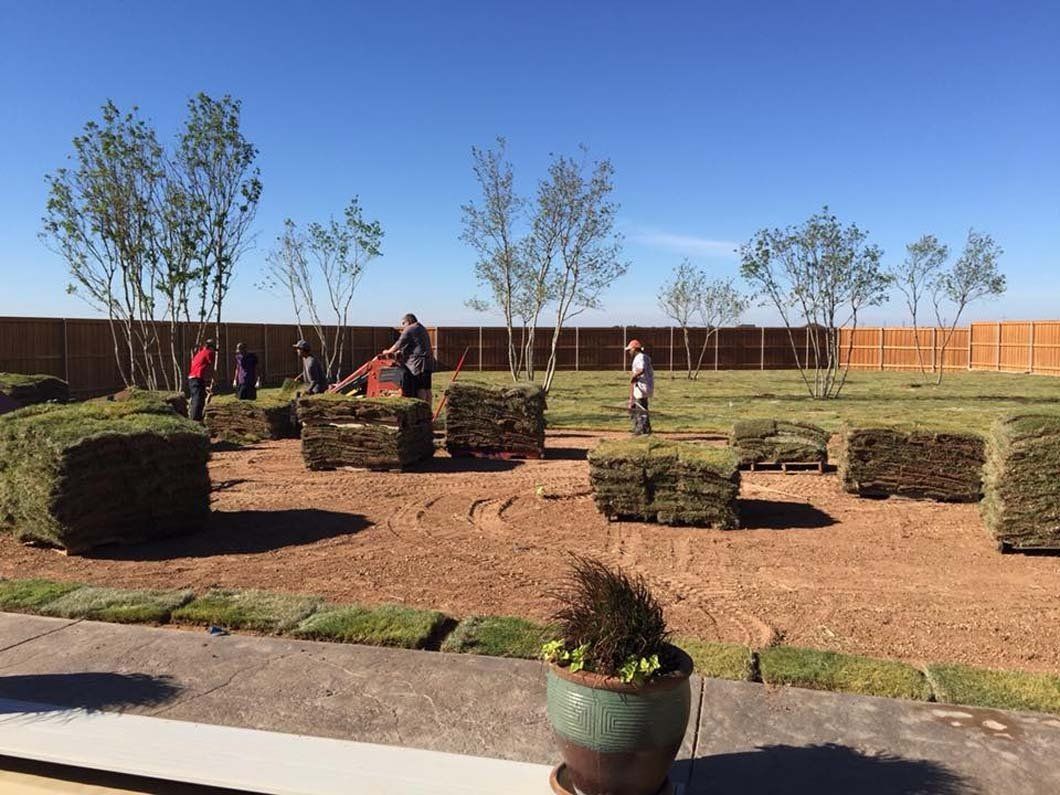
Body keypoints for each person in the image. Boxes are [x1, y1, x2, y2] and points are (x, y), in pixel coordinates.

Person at [381, 313, 434, 405]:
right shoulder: (421, 328)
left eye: (403, 323)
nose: (402, 326)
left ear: (408, 321)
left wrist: (388, 352)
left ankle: (421, 411)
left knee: (420, 388)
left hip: (418, 364)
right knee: (427, 388)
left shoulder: (410, 329)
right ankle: (428, 412)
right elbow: (413, 345)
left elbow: (400, 343)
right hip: (427, 362)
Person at [626, 339, 654, 436]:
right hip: (646, 386)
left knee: (638, 408)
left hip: (641, 386)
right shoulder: (646, 357)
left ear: (634, 349)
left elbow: (641, 369)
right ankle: (646, 429)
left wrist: (634, 376)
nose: (629, 352)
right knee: (643, 407)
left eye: (630, 350)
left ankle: (640, 429)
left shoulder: (640, 357)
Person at [188, 338, 218, 422]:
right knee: (198, 399)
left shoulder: (199, 353)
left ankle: (197, 418)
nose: (214, 352)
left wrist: (205, 384)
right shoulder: (208, 352)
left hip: (193, 378)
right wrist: (214, 378)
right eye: (213, 349)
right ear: (210, 347)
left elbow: (202, 367)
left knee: (199, 398)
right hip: (196, 378)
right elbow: (211, 367)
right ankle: (195, 420)